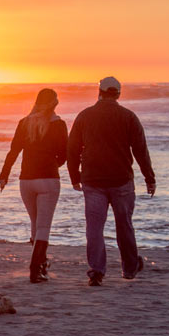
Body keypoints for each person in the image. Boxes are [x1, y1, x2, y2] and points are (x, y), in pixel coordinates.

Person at [67, 76, 156, 287]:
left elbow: (72, 148)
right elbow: (141, 151)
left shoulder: (85, 116)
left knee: (94, 228)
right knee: (124, 225)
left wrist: (74, 176)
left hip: (93, 180)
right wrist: (149, 178)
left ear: (99, 92)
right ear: (118, 94)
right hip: (121, 180)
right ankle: (129, 269)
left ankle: (97, 272)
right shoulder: (128, 117)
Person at [0, 88, 67, 283]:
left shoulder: (24, 123)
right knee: (43, 227)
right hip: (48, 180)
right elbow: (64, 154)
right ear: (55, 104)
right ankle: (35, 269)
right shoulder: (59, 125)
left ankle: (42, 264)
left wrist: (4, 175)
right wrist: (56, 164)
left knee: (36, 225)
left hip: (25, 181)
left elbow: (13, 152)